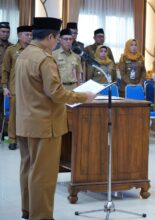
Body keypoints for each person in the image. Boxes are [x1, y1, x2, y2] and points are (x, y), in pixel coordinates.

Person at [15, 17, 95, 220]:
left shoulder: (24, 54)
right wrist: (82, 97)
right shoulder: (44, 58)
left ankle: (28, 210)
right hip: (45, 125)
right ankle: (41, 216)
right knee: (44, 174)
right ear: (50, 37)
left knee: (28, 169)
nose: (57, 42)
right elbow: (57, 93)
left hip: (26, 123)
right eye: (57, 38)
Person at [1, 25, 32, 150]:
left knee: (29, 116)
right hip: (15, 89)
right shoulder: (11, 50)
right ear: (19, 36)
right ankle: (12, 139)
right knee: (13, 116)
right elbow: (5, 70)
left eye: (31, 35)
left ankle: (27, 139)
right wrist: (5, 87)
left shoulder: (33, 50)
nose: (29, 37)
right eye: (27, 35)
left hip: (30, 89)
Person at [0, 21, 12, 132]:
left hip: (7, 83)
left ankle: (5, 133)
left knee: (6, 109)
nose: (5, 34)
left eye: (8, 32)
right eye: (3, 31)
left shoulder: (12, 47)